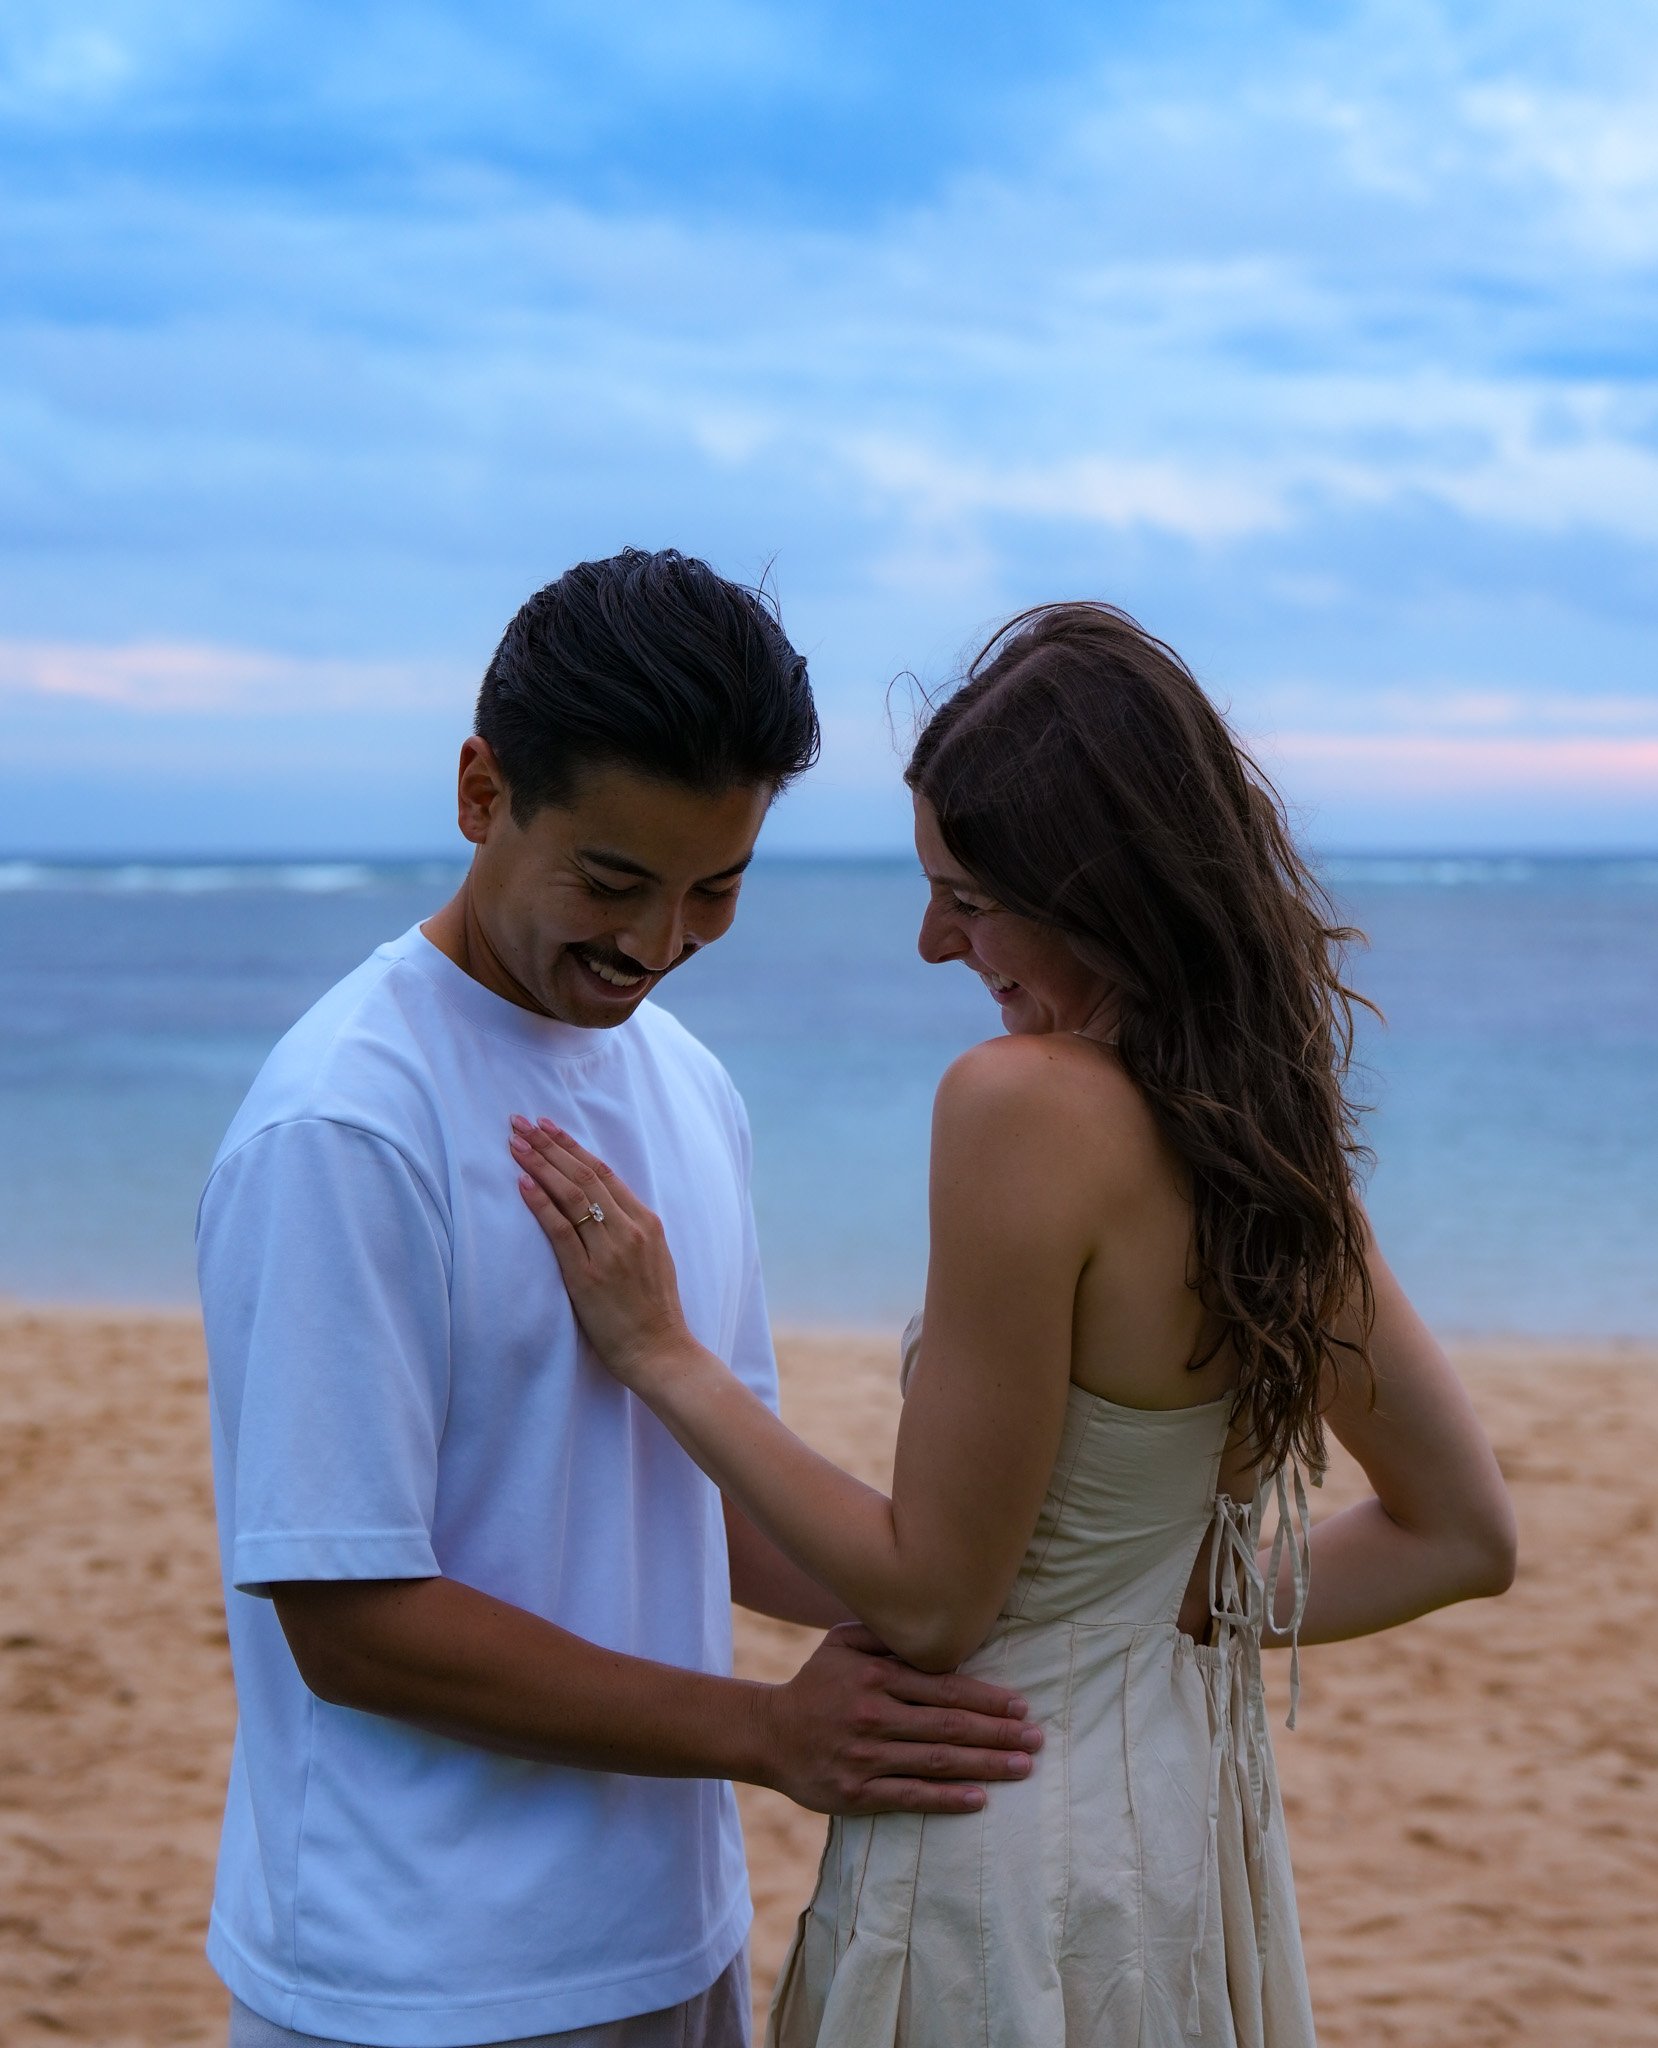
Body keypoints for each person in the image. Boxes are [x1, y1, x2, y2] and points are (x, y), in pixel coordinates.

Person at [508, 600, 1519, 2046]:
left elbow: (931, 1601)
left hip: (1000, 1847)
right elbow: (1460, 1535)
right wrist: (1194, 1603)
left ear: (1093, 888)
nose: (931, 944)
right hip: (1180, 1843)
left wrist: (663, 1356)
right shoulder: (1271, 1151)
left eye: (966, 897)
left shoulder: (1020, 1105)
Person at [195, 549, 1043, 2048]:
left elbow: (707, 1500)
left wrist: (965, 1602)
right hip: (410, 1980)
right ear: (480, 792)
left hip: (673, 1940)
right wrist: (770, 1735)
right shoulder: (343, 1122)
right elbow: (347, 1617)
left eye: (714, 890)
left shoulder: (687, 1084)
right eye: (612, 882)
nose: (654, 946)